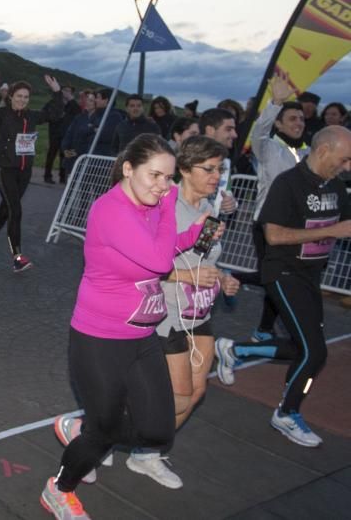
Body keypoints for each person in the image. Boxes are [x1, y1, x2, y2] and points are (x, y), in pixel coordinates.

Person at [43, 134, 210, 520]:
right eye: (155, 175)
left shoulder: (150, 204)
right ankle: (60, 488)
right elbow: (156, 260)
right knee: (101, 433)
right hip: (99, 339)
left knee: (158, 430)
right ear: (128, 168)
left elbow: (165, 246)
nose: (163, 187)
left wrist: (196, 231)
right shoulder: (111, 209)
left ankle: (82, 426)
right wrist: (171, 207)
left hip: (141, 335)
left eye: (169, 178)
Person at [214, 126, 351, 447]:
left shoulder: (336, 186)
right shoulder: (288, 183)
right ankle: (287, 412)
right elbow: (274, 236)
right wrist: (332, 229)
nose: (347, 167)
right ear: (324, 150)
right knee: (315, 353)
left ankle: (236, 350)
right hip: (283, 273)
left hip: (310, 275)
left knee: (303, 349)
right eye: (344, 159)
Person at [127, 136, 240, 489]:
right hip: (167, 313)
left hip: (200, 311)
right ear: (187, 169)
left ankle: (145, 452)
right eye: (209, 168)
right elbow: (141, 264)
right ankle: (98, 433)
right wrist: (188, 275)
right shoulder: (166, 208)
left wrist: (222, 277)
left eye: (220, 169)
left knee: (196, 392)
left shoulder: (212, 207)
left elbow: (204, 258)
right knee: (175, 395)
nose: (216, 176)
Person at [0, 68, 62, 272]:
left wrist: (57, 93)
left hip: (24, 171)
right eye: (19, 96)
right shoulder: (1, 113)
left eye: (26, 97)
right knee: (15, 210)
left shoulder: (31, 116)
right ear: (11, 97)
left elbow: (54, 114)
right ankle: (18, 256)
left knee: (7, 209)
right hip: (4, 168)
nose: (22, 100)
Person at [249, 71, 308, 339]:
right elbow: (258, 131)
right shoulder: (268, 148)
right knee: (273, 278)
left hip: (297, 228)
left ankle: (266, 328)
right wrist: (275, 103)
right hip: (266, 225)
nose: (299, 123)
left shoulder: (310, 153)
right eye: (293, 119)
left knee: (281, 278)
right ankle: (264, 329)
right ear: (280, 124)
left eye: (302, 119)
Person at [44, 85, 82, 184]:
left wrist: (71, 100)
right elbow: (45, 113)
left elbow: (79, 112)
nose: (66, 93)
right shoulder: (54, 102)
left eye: (69, 91)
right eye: (65, 90)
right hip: (54, 133)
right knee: (51, 155)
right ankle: (47, 175)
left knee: (65, 155)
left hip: (67, 135)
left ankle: (63, 176)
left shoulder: (72, 105)